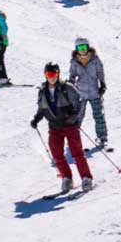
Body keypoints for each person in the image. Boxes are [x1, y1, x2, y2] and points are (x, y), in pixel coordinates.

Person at [30, 62, 93, 194]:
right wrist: (36, 119)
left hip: (69, 125)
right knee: (57, 154)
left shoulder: (67, 87)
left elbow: (79, 102)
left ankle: (86, 177)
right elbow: (42, 108)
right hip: (54, 127)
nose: (51, 77)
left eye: (53, 74)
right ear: (45, 75)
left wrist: (74, 117)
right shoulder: (42, 91)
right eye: (49, 74)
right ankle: (67, 178)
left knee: (77, 153)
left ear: (58, 74)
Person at [68, 37, 108, 148]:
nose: (82, 50)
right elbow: (72, 75)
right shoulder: (75, 62)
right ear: (76, 49)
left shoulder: (95, 59)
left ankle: (102, 137)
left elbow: (100, 72)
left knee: (99, 115)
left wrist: (103, 84)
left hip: (95, 92)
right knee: (78, 116)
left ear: (88, 47)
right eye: (79, 48)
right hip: (81, 93)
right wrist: (71, 82)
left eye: (84, 47)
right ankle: (73, 138)